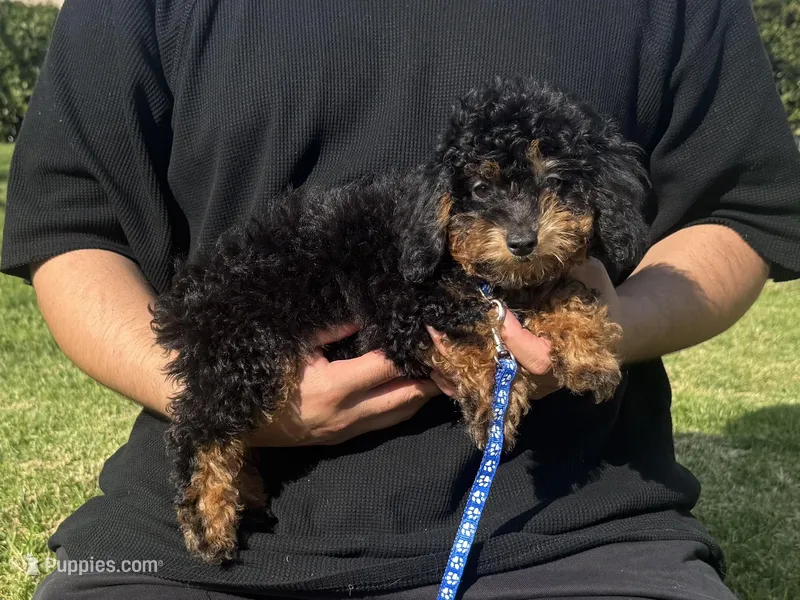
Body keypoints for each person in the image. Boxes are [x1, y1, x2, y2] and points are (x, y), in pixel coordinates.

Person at [2, 0, 799, 598]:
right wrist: (219, 399)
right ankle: (211, 468)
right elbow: (76, 226)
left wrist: (609, 324)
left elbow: (742, 209)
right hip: (185, 559)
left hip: (570, 528)